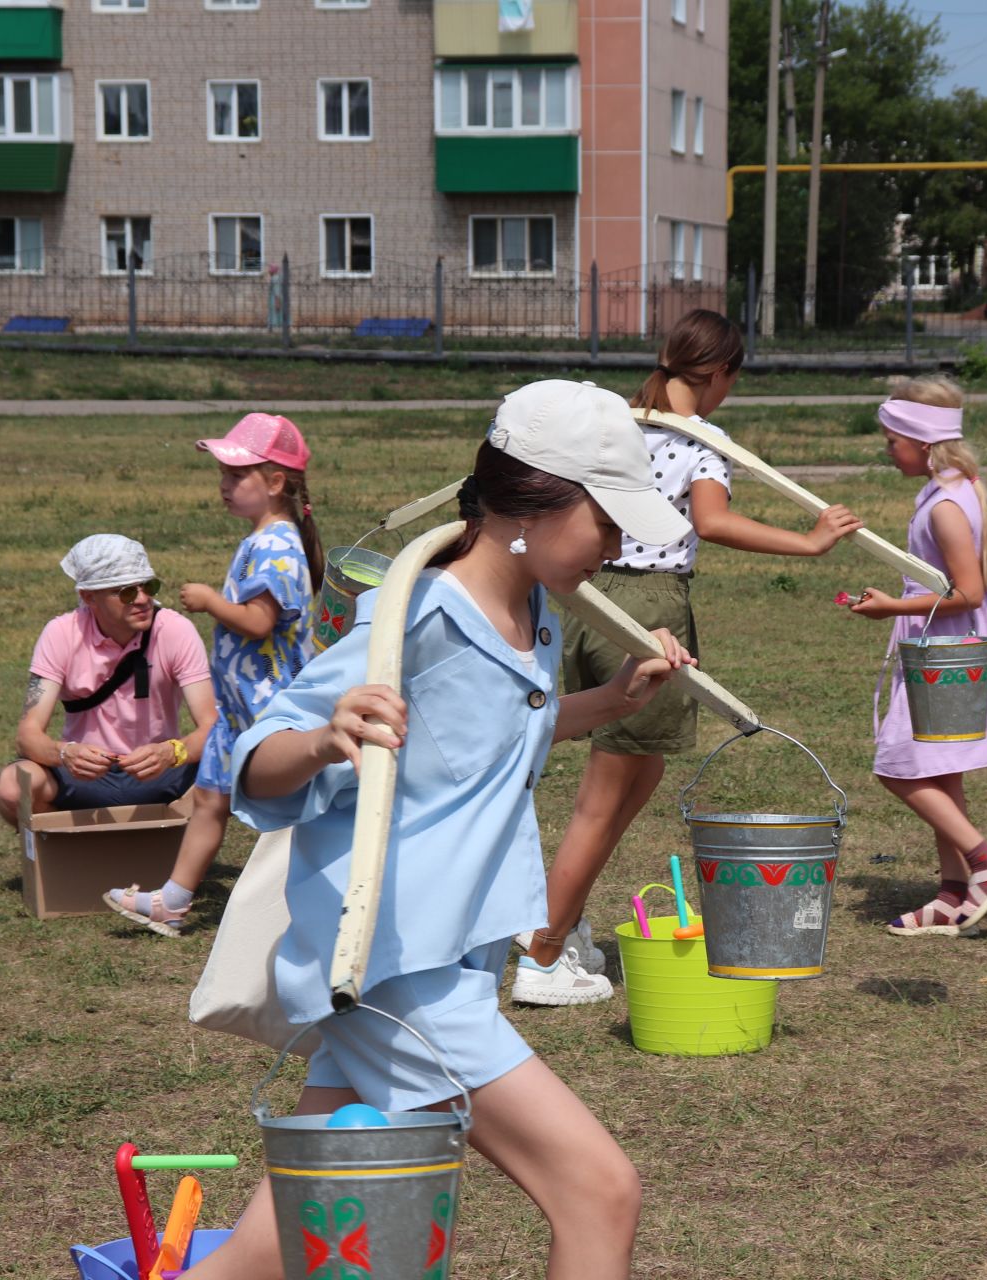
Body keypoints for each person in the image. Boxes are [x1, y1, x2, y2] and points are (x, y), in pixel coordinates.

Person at [180, 380, 694, 1280]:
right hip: (395, 968)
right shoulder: (419, 616)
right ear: (535, 501)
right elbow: (259, 754)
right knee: (599, 1190)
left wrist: (613, 700)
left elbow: (499, 730)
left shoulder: (530, 608)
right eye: (607, 522)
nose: (617, 546)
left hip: (445, 952)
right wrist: (324, 739)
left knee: (289, 1228)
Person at [517, 309, 863, 1005]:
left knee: (628, 784)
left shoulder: (616, 421)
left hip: (585, 600)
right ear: (723, 373)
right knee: (603, 799)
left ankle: (563, 922)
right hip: (647, 612)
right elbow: (712, 521)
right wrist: (812, 541)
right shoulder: (701, 438)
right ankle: (541, 955)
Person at [103, 414, 326, 937]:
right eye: (222, 475)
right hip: (237, 711)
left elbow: (260, 621)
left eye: (236, 476)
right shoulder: (262, 539)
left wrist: (210, 602)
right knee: (209, 800)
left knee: (296, 813)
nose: (223, 487)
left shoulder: (277, 546)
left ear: (274, 483)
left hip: (270, 710)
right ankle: (173, 903)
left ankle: (316, 906)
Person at [845, 376, 987, 936]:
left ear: (923, 443)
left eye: (892, 439)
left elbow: (969, 593)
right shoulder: (959, 486)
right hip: (945, 648)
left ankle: (985, 861)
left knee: (897, 767)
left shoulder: (945, 507)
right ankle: (954, 895)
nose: (887, 449)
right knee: (941, 771)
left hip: (945, 657)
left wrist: (893, 606)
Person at [0, 535, 216, 827]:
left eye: (148, 586)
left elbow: (212, 726)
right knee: (12, 788)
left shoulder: (175, 630)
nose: (143, 599)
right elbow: (27, 735)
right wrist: (65, 753)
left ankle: (181, 852)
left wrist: (172, 752)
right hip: (85, 776)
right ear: (88, 597)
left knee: (237, 760)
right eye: (125, 592)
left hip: (160, 770)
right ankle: (71, 857)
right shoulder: (61, 633)